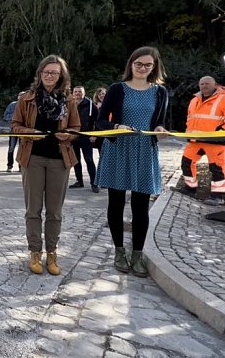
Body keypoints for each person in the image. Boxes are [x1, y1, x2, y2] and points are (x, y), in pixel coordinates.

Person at [95, 46, 169, 278]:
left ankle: (137, 254)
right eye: (138, 64)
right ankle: (119, 251)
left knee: (141, 206)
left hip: (145, 150)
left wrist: (160, 129)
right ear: (131, 64)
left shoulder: (160, 92)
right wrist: (117, 126)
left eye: (147, 65)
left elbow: (160, 122)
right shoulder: (117, 89)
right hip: (118, 148)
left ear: (154, 67)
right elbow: (100, 122)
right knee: (116, 203)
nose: (142, 68)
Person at [11, 55, 80, 276]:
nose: (50, 76)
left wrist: (68, 135)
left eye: (54, 73)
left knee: (54, 211)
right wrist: (30, 132)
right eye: (46, 72)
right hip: (32, 159)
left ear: (61, 76)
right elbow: (15, 126)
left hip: (60, 160)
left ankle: (51, 252)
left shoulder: (68, 101)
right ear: (40, 73)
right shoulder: (26, 99)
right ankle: (34, 251)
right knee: (33, 210)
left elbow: (76, 127)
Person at [177, 76, 225, 206]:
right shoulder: (194, 100)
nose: (204, 86)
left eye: (207, 83)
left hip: (214, 141)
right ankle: (190, 189)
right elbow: (190, 118)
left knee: (216, 168)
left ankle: (218, 196)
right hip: (195, 140)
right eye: (202, 84)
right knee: (186, 163)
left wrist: (220, 134)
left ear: (215, 85)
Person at [70, 86, 99, 193]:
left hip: (86, 137)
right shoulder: (69, 104)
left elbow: (98, 121)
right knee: (76, 161)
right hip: (73, 137)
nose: (77, 93)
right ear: (73, 93)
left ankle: (94, 183)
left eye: (80, 92)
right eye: (76, 91)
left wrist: (95, 135)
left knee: (89, 160)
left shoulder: (91, 105)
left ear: (84, 93)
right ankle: (79, 181)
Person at [3, 92, 26, 172]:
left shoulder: (27, 105)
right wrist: (15, 116)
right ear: (18, 97)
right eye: (20, 96)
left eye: (23, 96)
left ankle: (21, 166)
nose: (21, 98)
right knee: (11, 148)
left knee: (22, 149)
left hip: (23, 131)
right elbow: (5, 116)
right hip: (13, 130)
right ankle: (9, 166)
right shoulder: (12, 105)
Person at [92, 87, 108, 152]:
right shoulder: (95, 107)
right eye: (99, 94)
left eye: (103, 93)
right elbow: (94, 121)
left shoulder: (113, 104)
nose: (101, 95)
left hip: (111, 131)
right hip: (100, 133)